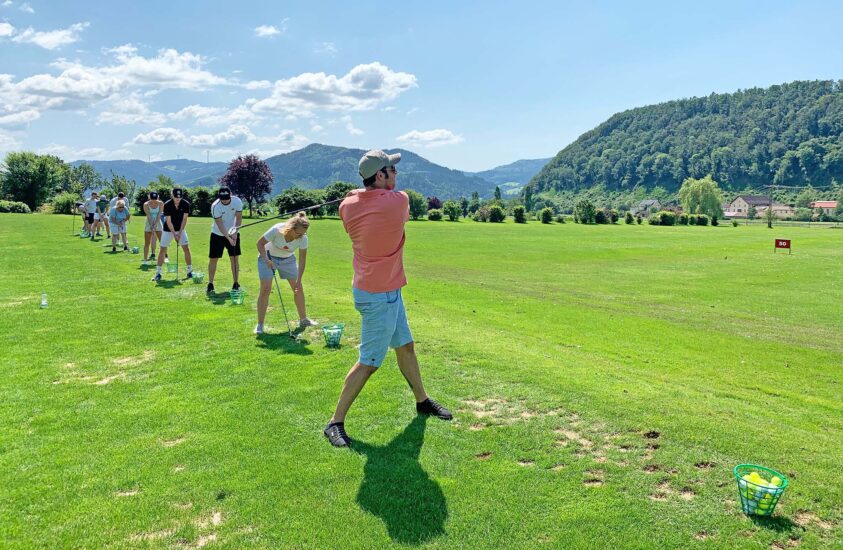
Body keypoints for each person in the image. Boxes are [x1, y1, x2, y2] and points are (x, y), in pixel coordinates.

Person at [323, 150, 452, 448]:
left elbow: (356, 197)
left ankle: (422, 400)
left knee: (405, 346)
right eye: (391, 170)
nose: (396, 174)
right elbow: (392, 197)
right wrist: (363, 193)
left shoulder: (347, 206)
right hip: (380, 295)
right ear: (380, 175)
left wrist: (358, 193)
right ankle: (335, 422)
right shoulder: (398, 202)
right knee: (368, 362)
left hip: (380, 289)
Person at [254, 212, 316, 335]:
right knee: (265, 289)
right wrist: (266, 260)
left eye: (303, 234)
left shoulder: (303, 238)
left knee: (298, 288)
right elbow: (259, 243)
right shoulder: (277, 230)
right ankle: (260, 325)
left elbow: (302, 261)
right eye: (298, 233)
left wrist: (299, 280)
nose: (300, 236)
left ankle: (303, 320)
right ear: (291, 228)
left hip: (288, 259)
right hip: (268, 257)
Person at [207, 187, 243, 295]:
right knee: (213, 259)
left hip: (233, 232)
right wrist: (228, 238)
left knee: (234, 259)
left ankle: (236, 283)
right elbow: (220, 225)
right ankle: (210, 283)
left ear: (230, 194)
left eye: (227, 198)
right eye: (223, 199)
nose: (225, 201)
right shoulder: (215, 206)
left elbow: (239, 218)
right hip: (217, 234)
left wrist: (235, 232)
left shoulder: (237, 201)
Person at [152, 188, 193, 282]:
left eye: (179, 197)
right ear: (172, 196)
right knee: (163, 249)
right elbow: (168, 221)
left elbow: (184, 219)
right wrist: (175, 234)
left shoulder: (185, 204)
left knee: (186, 248)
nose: (178, 199)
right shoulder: (167, 204)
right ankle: (158, 273)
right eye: (176, 197)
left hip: (181, 229)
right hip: (168, 230)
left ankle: (190, 271)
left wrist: (180, 232)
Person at [143, 192, 164, 261]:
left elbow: (159, 214)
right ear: (150, 198)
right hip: (149, 222)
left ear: (157, 197)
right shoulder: (146, 204)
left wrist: (155, 225)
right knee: (147, 243)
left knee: (162, 241)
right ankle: (145, 260)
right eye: (152, 199)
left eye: (155, 199)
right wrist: (152, 225)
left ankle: (164, 257)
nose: (154, 201)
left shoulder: (161, 203)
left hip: (158, 222)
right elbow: (148, 215)